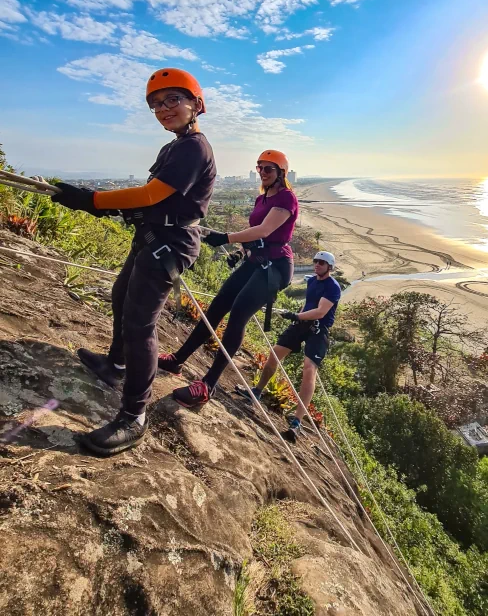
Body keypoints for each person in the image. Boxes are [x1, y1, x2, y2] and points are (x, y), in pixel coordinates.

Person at [50, 68, 216, 455]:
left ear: (196, 104)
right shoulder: (175, 146)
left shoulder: (194, 147)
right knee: (121, 295)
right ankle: (117, 365)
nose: (163, 109)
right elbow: (157, 200)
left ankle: (134, 417)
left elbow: (151, 193)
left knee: (140, 323)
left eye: (173, 99)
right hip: (154, 237)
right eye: (156, 104)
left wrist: (92, 201)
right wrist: (115, 209)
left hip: (170, 246)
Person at [158, 150, 298, 409]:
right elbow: (256, 237)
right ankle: (177, 359)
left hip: (275, 268)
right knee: (216, 308)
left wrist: (226, 237)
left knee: (238, 316)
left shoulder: (286, 198)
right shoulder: (262, 198)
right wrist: (240, 251)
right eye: (259, 168)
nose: (262, 172)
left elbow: (266, 231)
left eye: (268, 168)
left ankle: (207, 386)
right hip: (256, 260)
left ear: (281, 173)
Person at [238, 250, 341, 443]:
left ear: (329, 267)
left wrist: (296, 316)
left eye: (322, 262)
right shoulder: (312, 281)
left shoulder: (333, 287)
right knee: (275, 354)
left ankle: (297, 422)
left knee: (309, 370)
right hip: (301, 324)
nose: (317, 264)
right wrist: (297, 316)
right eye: (316, 261)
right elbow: (308, 304)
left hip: (318, 330)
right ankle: (257, 391)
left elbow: (320, 312)